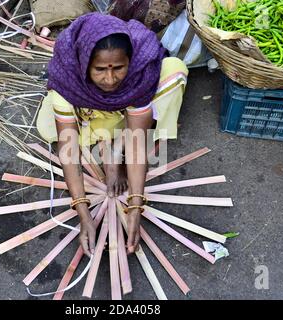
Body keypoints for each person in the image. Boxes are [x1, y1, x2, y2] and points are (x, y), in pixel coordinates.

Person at [37, 13, 188, 257]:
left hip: (128, 106)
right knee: (49, 128)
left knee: (175, 70)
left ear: (130, 60)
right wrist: (83, 213)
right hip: (90, 109)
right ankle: (115, 137)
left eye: (118, 68)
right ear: (85, 63)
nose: (109, 79)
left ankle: (116, 145)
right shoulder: (69, 75)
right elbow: (69, 151)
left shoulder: (139, 72)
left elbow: (138, 145)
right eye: (99, 70)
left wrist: (136, 205)